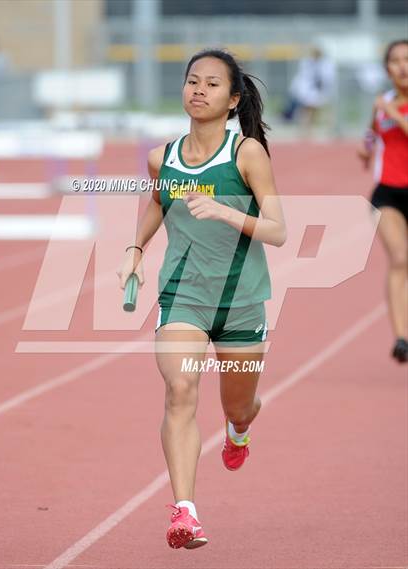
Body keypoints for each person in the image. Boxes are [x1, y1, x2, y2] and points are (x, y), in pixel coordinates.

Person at [117, 48, 286, 549]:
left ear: (233, 99)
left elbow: (276, 231)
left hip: (240, 301)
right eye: (193, 81)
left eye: (213, 84)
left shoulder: (247, 154)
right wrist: (135, 248)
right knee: (181, 388)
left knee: (239, 404)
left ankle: (239, 430)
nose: (199, 90)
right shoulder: (161, 157)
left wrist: (226, 211)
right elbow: (157, 201)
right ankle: (184, 512)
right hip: (183, 296)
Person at [357, 40, 408, 363]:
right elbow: (371, 136)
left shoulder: (388, 106)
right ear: (387, 69)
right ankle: (402, 338)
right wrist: (365, 150)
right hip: (388, 192)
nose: (402, 66)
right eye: (395, 61)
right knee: (400, 258)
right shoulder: (383, 104)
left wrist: (391, 112)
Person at [282, 46, 336, 132]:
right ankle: (306, 129)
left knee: (323, 110)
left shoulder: (325, 64)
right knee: (308, 110)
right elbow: (305, 78)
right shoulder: (307, 63)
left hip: (320, 91)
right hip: (310, 92)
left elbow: (327, 78)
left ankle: (330, 129)